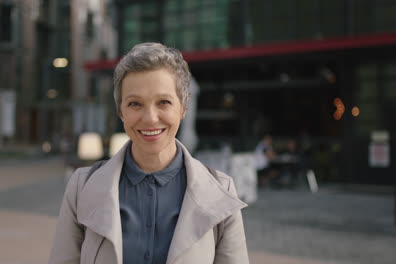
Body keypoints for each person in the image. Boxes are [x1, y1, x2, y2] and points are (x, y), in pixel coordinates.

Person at [48, 43, 249, 264]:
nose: (150, 118)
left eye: (163, 102)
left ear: (183, 108)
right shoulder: (81, 187)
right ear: (121, 111)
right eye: (135, 104)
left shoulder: (221, 191)